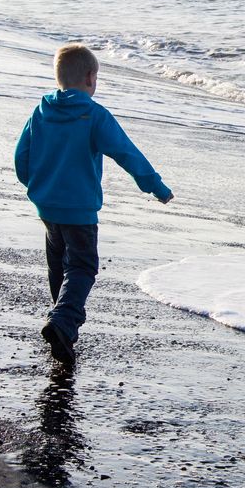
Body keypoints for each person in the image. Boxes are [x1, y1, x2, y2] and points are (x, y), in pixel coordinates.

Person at [15, 44, 173, 366]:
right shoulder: (94, 115)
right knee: (83, 267)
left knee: (58, 265)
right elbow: (127, 153)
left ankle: (62, 327)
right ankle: (62, 322)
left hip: (47, 207)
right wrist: (155, 186)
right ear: (90, 77)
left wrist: (37, 186)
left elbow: (22, 157)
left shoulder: (40, 111)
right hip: (79, 209)